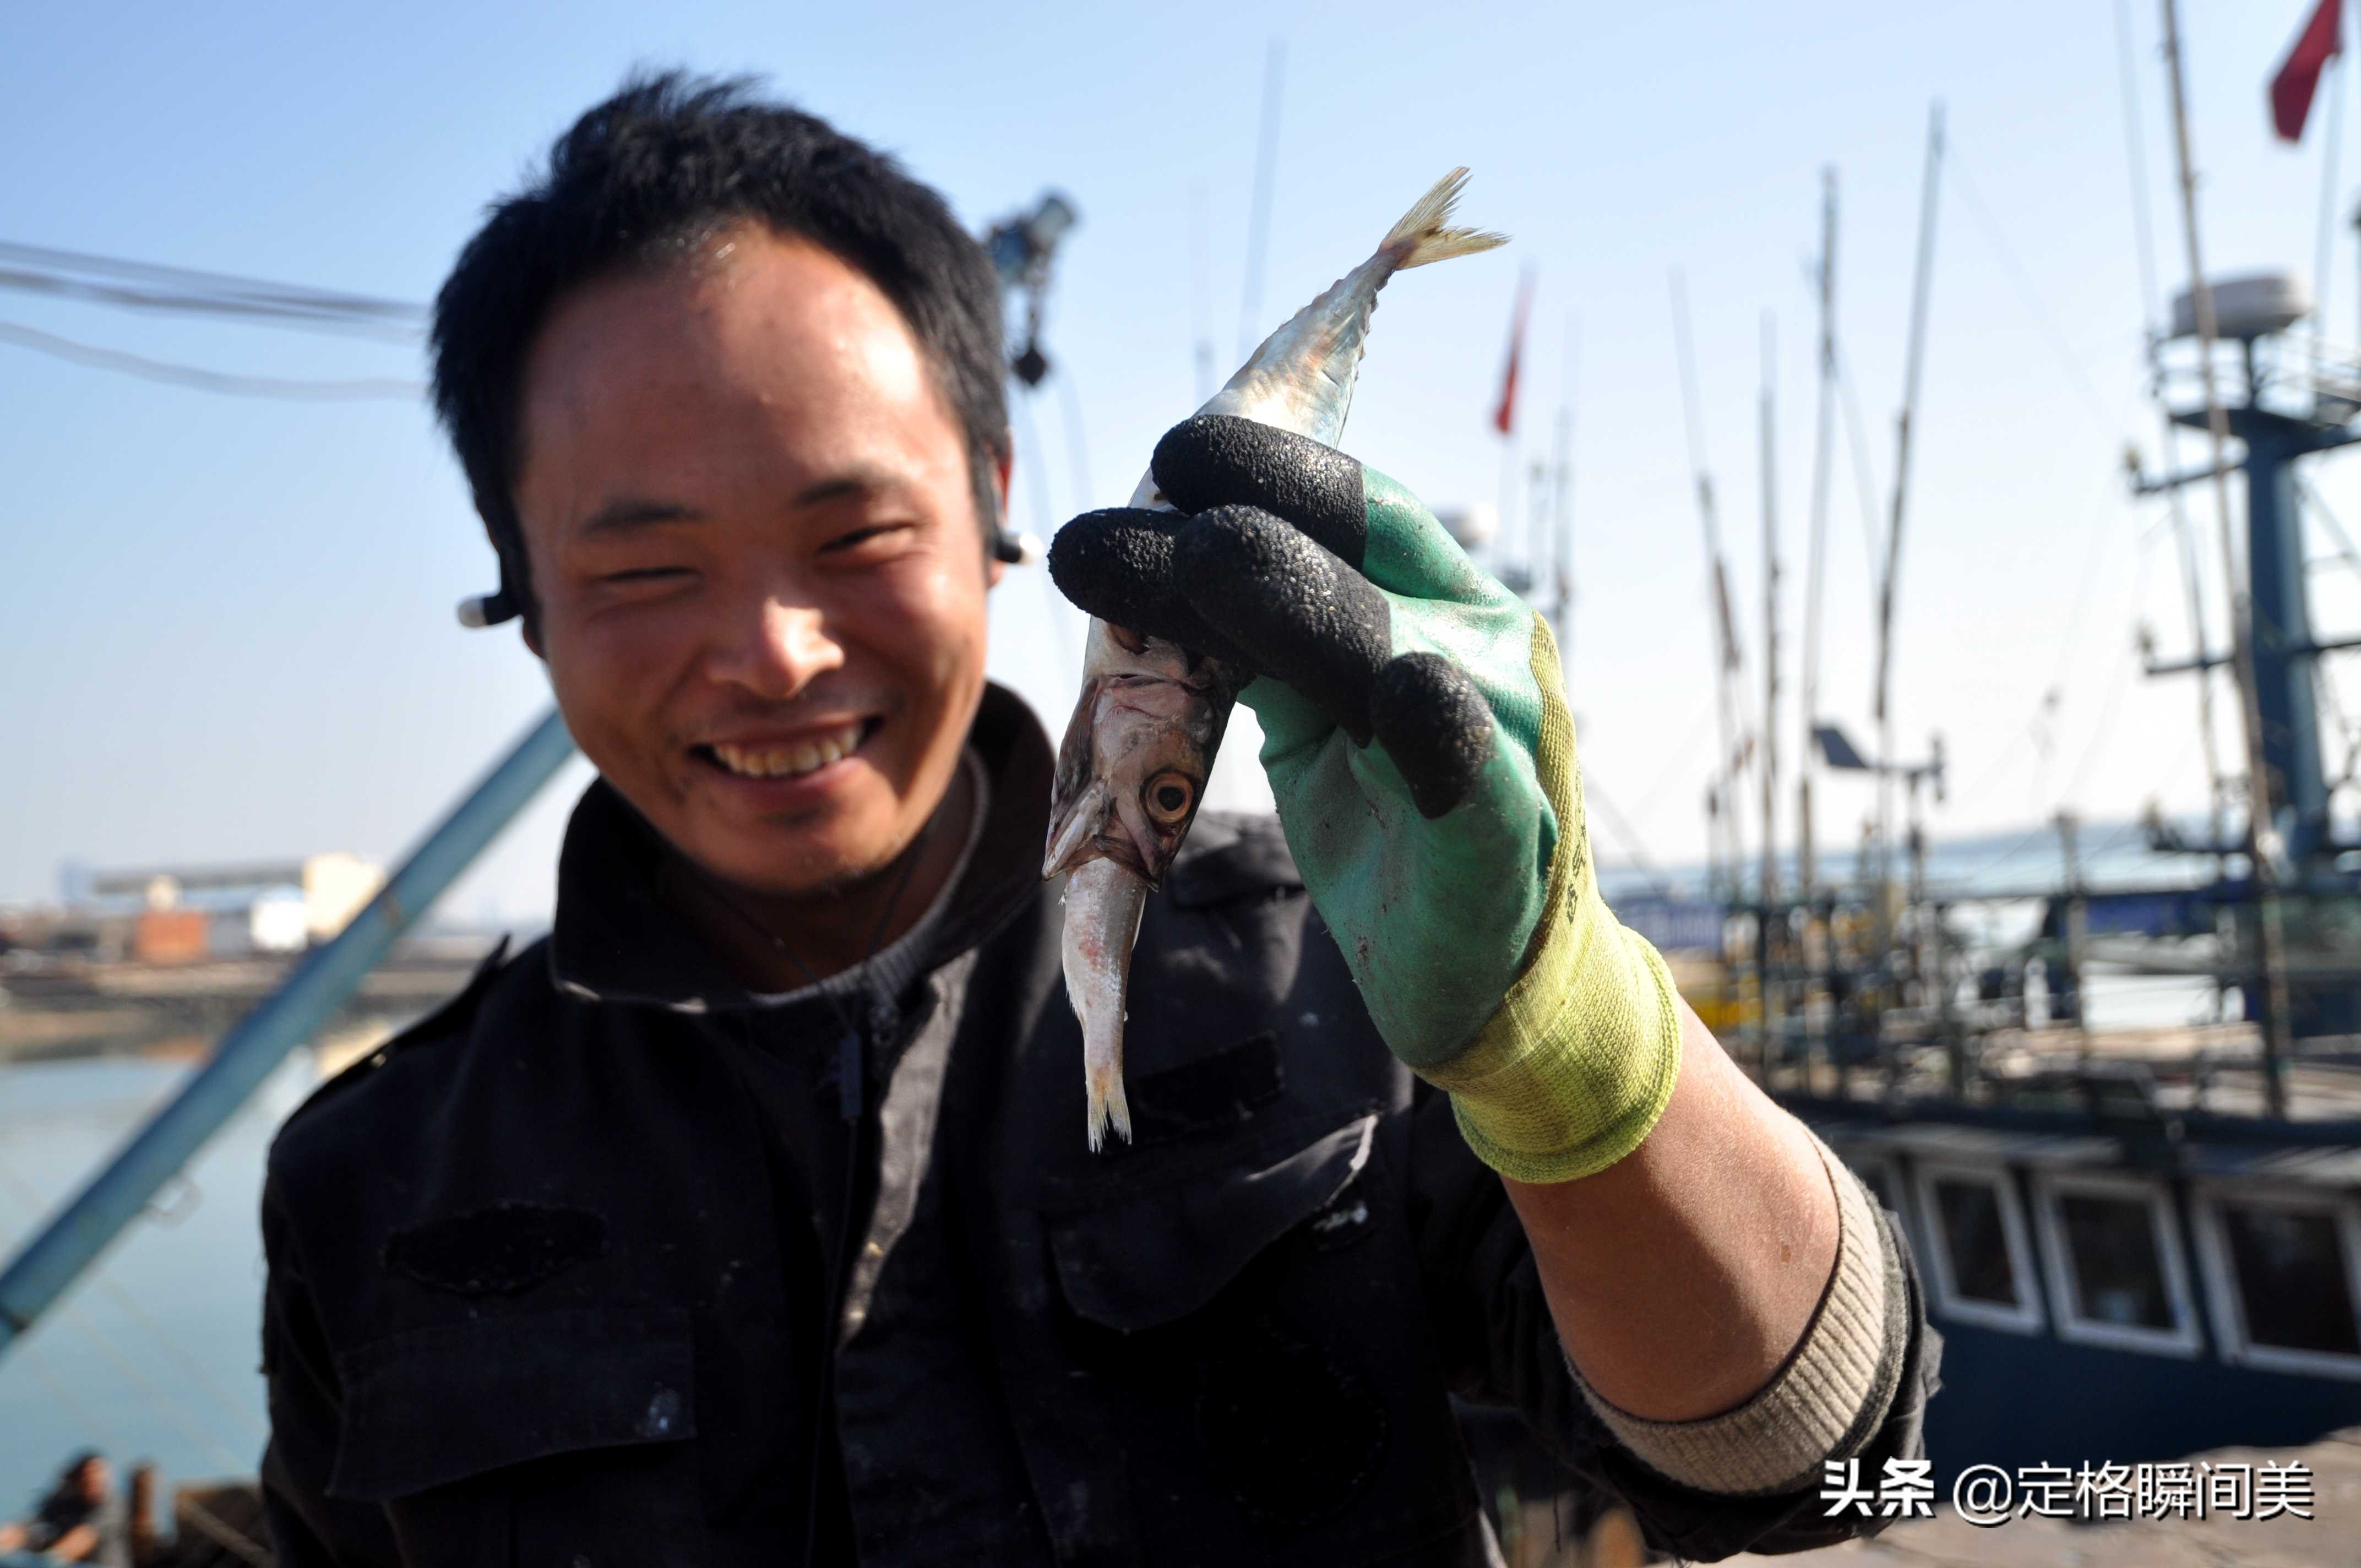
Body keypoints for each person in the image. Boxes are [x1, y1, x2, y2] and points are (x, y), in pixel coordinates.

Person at [259, 72, 1938, 1566]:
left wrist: (1564, 1039)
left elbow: (1815, 1459)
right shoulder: (369, 1169)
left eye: (851, 537)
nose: (774, 652)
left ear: (996, 505)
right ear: (519, 598)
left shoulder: (1337, 962)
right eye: (640, 569)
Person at [0, 1452, 128, 1566]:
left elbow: (84, 1537)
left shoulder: (113, 1505)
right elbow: (28, 1524)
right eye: (88, 1478)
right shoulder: (66, 1500)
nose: (94, 1484)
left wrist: (52, 1559)